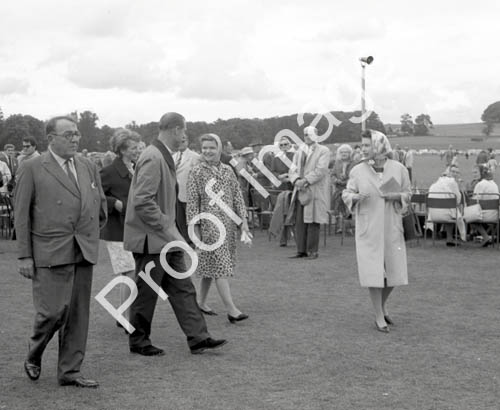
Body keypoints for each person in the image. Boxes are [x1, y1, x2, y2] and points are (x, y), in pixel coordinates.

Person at [123, 112, 227, 357]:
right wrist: (170, 230)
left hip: (164, 239)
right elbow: (143, 201)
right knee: (146, 293)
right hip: (153, 241)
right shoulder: (153, 156)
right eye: (184, 131)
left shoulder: (158, 155)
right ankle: (138, 341)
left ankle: (199, 338)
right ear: (176, 129)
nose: (185, 136)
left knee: (183, 289)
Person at [15, 116, 107, 387]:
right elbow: (21, 215)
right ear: (51, 138)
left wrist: (91, 231)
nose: (75, 139)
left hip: (83, 249)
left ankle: (70, 372)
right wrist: (24, 255)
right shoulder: (32, 167)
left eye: (77, 134)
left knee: (78, 315)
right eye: (68, 134)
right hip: (49, 251)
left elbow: (98, 202)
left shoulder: (88, 165)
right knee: (53, 312)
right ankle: (35, 351)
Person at [342, 129, 411, 333]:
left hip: (392, 225)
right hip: (368, 227)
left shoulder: (399, 169)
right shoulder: (357, 171)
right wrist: (354, 198)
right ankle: (379, 315)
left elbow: (408, 193)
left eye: (366, 145)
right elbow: (346, 193)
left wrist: (397, 196)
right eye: (362, 145)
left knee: (395, 272)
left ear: (379, 145)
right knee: (373, 271)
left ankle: (381, 306)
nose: (362, 149)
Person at [186, 133, 250, 322]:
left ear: (219, 149)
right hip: (208, 226)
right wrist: (195, 230)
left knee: (209, 267)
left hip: (227, 225)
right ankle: (232, 310)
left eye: (211, 147)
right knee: (220, 266)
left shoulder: (228, 171)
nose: (207, 151)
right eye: (204, 147)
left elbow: (237, 196)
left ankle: (200, 302)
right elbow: (192, 202)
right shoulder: (196, 171)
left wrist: (243, 221)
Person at [100, 128, 141, 326]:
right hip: (117, 230)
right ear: (122, 149)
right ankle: (124, 316)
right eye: (133, 147)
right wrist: (114, 203)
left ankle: (124, 313)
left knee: (131, 272)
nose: (137, 150)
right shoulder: (108, 172)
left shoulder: (136, 168)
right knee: (129, 272)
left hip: (135, 229)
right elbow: (96, 195)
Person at [288, 126, 330, 259]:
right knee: (300, 221)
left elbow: (321, 170)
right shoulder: (299, 151)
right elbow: (292, 169)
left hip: (314, 190)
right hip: (300, 190)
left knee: (313, 221)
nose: (307, 136)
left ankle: (313, 251)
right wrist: (296, 180)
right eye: (305, 134)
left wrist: (305, 180)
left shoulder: (323, 151)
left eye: (310, 134)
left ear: (316, 135)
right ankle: (301, 250)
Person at [427, 168, 466, 246]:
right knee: (452, 212)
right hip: (446, 214)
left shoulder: (434, 184)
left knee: (449, 210)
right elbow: (458, 200)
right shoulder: (453, 182)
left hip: (432, 216)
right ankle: (457, 238)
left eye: (456, 172)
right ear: (449, 173)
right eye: (453, 172)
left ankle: (449, 239)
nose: (455, 174)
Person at [173, 139, 200, 245]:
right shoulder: (173, 157)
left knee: (192, 219)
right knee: (179, 219)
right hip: (175, 193)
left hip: (189, 193)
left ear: (187, 142)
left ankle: (195, 240)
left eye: (183, 141)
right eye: (179, 141)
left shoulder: (195, 157)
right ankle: (185, 240)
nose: (180, 143)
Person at [270, 137, 294, 246]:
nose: (284, 146)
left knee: (293, 212)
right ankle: (283, 238)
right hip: (281, 187)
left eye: (286, 144)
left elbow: (298, 169)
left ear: (290, 145)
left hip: (293, 186)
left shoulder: (295, 155)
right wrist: (279, 176)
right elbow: (273, 171)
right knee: (282, 212)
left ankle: (296, 237)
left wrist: (290, 177)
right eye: (282, 145)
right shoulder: (276, 158)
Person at [469, 165, 499, 246]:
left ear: (481, 173)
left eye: (476, 172)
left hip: (484, 215)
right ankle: (489, 236)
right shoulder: (494, 183)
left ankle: (484, 236)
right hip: (496, 214)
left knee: (469, 215)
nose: (474, 174)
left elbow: (474, 201)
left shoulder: (480, 184)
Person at [331, 144, 354, 234]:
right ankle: (339, 227)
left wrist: (346, 182)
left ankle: (348, 228)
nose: (344, 154)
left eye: (346, 152)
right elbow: (332, 174)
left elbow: (354, 176)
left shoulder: (353, 163)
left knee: (347, 207)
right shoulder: (337, 163)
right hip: (338, 188)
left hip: (349, 189)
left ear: (350, 153)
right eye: (342, 152)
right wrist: (336, 180)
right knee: (337, 203)